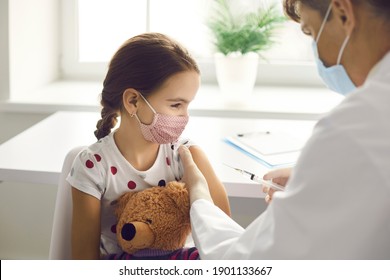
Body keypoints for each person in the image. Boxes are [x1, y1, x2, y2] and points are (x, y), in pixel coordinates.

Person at [179, 0, 390, 259]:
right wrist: (321, 179)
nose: (318, 54)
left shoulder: (356, 128)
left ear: (343, 13)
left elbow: (245, 264)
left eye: (311, 32)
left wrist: (200, 198)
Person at [67, 33, 231, 259]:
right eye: (176, 105)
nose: (185, 116)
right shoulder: (93, 165)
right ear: (133, 101)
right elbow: (83, 258)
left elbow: (225, 241)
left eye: (187, 105)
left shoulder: (188, 157)